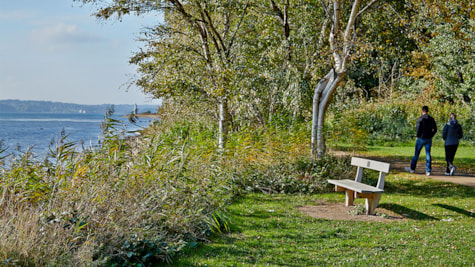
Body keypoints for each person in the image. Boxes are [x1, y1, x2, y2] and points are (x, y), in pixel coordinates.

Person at [405, 106, 438, 175]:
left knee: (416, 154)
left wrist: (418, 136)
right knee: (428, 154)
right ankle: (428, 170)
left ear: (422, 111)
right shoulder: (431, 119)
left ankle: (412, 168)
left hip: (421, 138)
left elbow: (418, 128)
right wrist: (431, 135)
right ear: (428, 111)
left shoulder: (420, 119)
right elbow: (435, 129)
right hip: (428, 138)